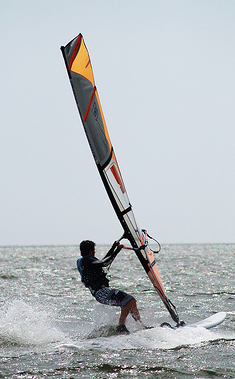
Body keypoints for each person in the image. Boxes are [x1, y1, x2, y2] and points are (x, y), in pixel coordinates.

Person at [77, 239, 144, 334]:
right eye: (94, 250)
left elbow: (103, 261)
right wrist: (117, 250)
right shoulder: (87, 261)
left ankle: (140, 325)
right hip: (101, 292)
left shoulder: (87, 261)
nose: (95, 252)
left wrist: (113, 248)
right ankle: (121, 326)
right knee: (128, 300)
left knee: (131, 302)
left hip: (101, 293)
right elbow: (105, 263)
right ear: (91, 251)